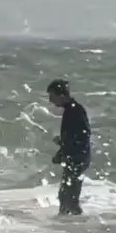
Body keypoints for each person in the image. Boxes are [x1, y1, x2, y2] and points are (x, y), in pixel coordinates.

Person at [47, 79, 91, 216]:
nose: (50, 101)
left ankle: (72, 227)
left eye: (52, 97)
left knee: (69, 198)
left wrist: (63, 151)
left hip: (77, 158)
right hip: (77, 157)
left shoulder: (75, 111)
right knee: (66, 196)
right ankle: (67, 226)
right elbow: (76, 136)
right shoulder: (72, 110)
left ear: (61, 95)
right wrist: (62, 144)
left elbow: (83, 136)